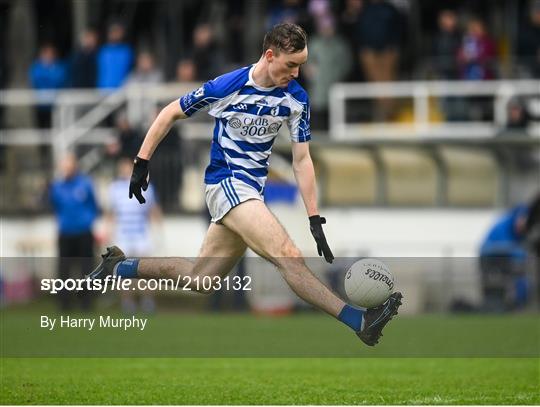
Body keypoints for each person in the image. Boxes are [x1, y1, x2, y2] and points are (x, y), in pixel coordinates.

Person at [88, 23, 402, 346]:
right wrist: (142, 161)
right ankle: (359, 320)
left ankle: (119, 267)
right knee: (287, 254)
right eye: (291, 65)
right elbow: (170, 112)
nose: (296, 73)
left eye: (301, 66)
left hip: (252, 194)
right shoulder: (228, 86)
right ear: (270, 55)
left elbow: (302, 160)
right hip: (225, 184)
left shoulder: (296, 99)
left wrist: (313, 216)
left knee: (201, 279)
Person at [106, 158, 162, 314]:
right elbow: (111, 213)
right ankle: (127, 303)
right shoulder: (114, 188)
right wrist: (107, 232)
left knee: (145, 271)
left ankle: (147, 302)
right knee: (123, 273)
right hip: (123, 235)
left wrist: (158, 232)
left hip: (141, 234)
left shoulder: (145, 187)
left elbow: (153, 210)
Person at [50, 153, 99, 311]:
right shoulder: (57, 187)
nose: (67, 169)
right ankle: (64, 304)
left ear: (75, 167)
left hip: (84, 233)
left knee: (86, 269)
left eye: (69, 166)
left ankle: (86, 304)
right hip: (65, 233)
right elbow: (55, 207)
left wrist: (87, 220)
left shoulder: (85, 184)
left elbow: (94, 206)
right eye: (64, 166)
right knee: (64, 269)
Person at [97, 22, 134, 90]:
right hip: (103, 89)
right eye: (113, 32)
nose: (115, 34)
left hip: (123, 89)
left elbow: (131, 71)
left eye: (118, 32)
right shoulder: (103, 51)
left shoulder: (127, 51)